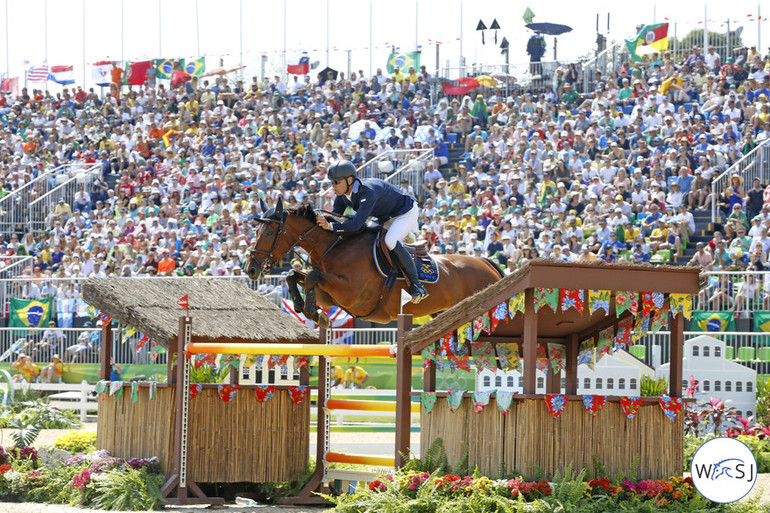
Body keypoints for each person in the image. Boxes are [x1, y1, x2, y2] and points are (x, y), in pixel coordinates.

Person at [316, 160, 429, 303]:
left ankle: (417, 284)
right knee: (366, 234)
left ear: (349, 180)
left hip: (404, 212)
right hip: (384, 216)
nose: (333, 186)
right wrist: (318, 220)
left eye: (336, 182)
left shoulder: (367, 192)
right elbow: (335, 217)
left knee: (390, 240)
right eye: (332, 183)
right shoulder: (342, 195)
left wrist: (331, 227)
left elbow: (356, 224)